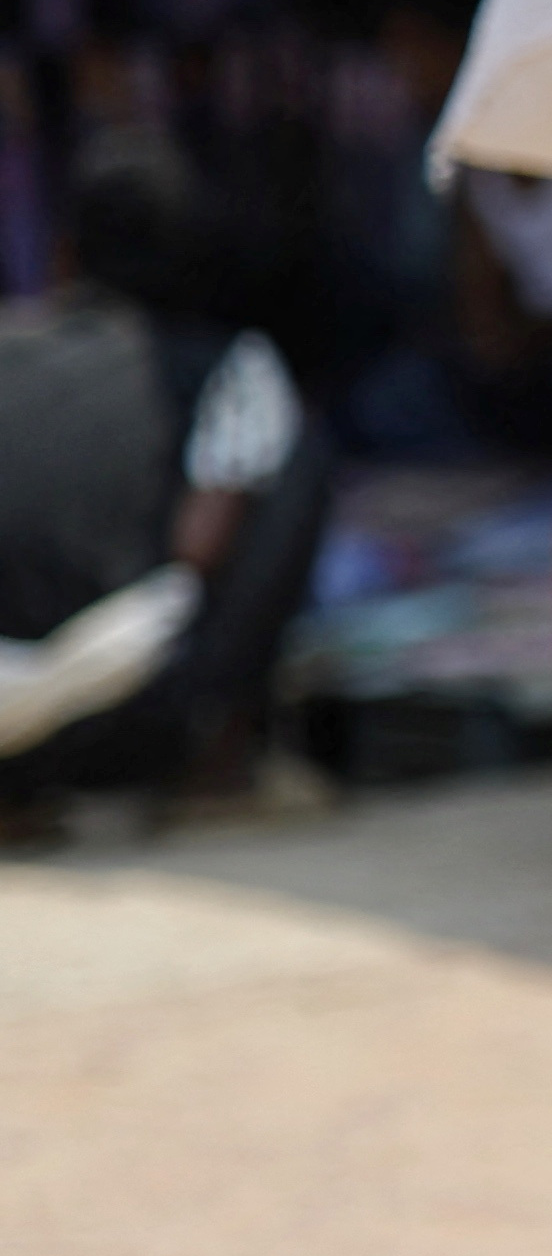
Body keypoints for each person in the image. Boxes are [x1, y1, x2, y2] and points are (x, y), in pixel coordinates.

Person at [0, 133, 331, 830]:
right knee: (292, 457)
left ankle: (18, 797)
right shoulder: (226, 366)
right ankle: (213, 767)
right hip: (129, 719)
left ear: (64, 253)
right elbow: (199, 550)